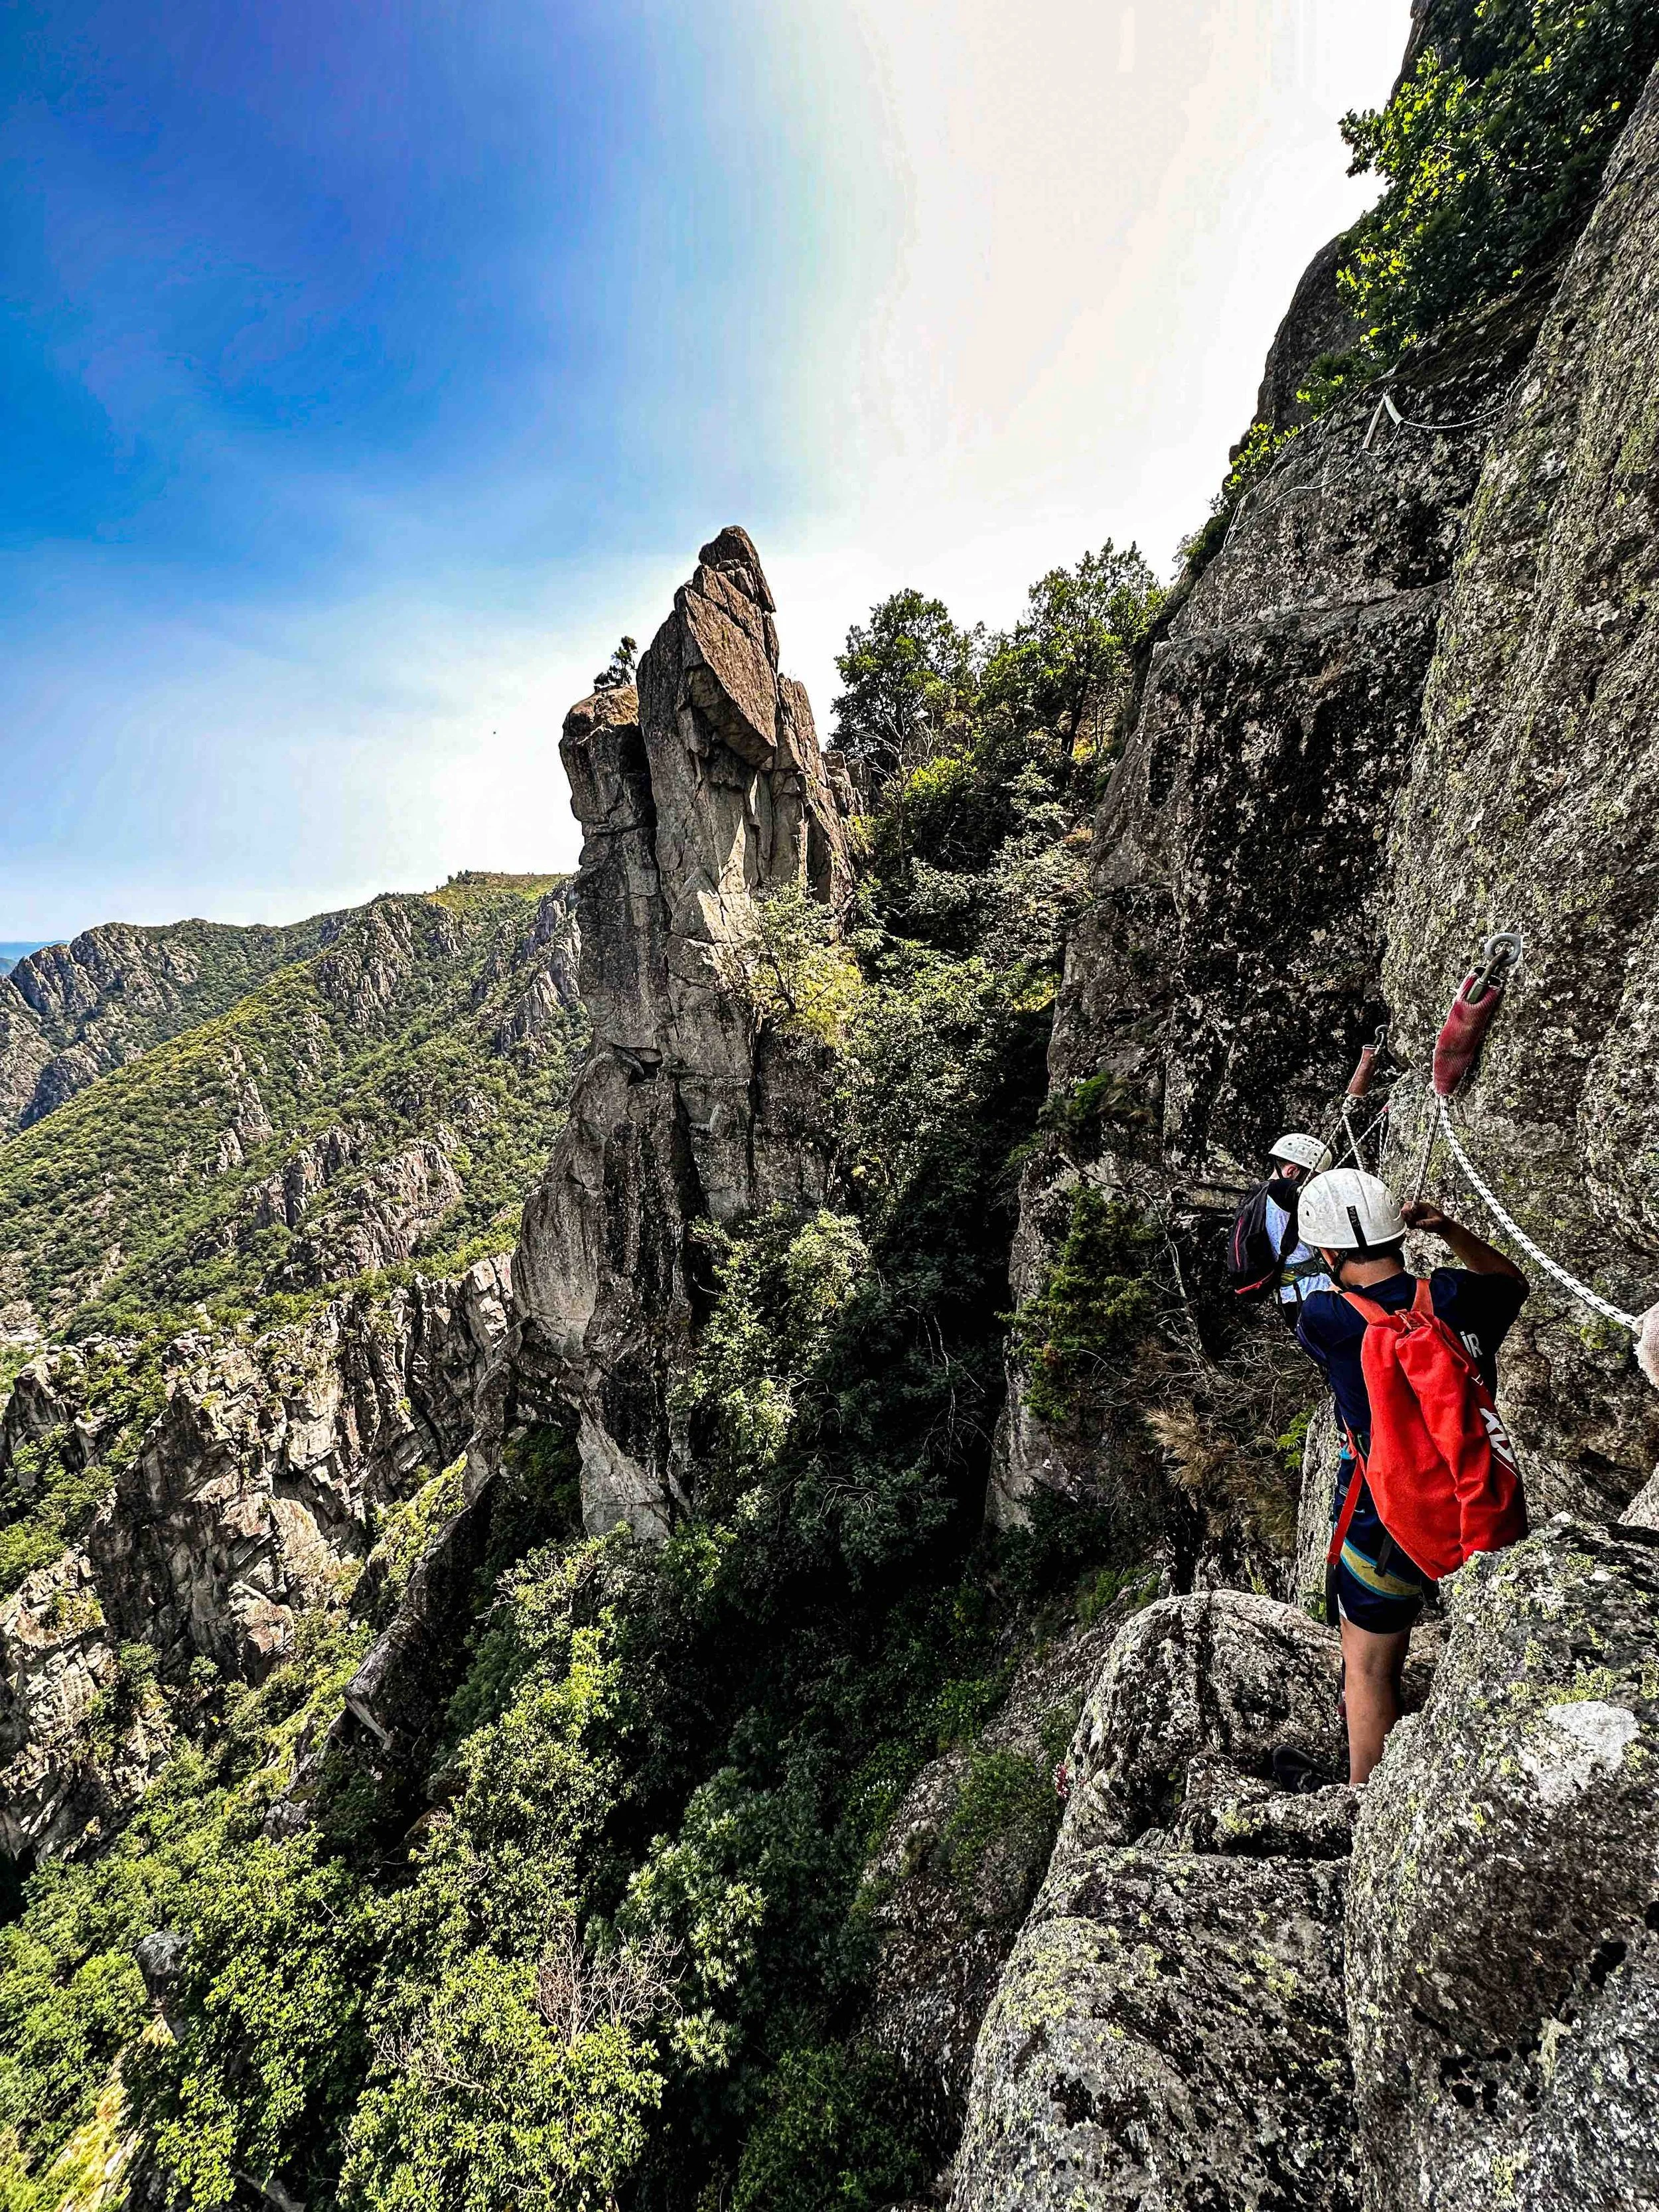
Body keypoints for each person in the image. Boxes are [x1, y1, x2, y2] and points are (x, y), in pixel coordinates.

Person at [1293, 1168, 1527, 1785]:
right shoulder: (1455, 1297)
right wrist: (1449, 1230)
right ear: (1400, 1231)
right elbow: (1510, 1281)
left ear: (1328, 1253)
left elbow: (1328, 1305)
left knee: (1368, 1667)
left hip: (1389, 1518)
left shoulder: (1325, 1320)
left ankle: (1365, 1804)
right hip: (1475, 1499)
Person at [1228, 1133, 1337, 1330]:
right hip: (1309, 1293)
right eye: (1313, 1178)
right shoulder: (1283, 1190)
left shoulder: (1259, 1193)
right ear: (1292, 1171)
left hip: (1290, 1297)